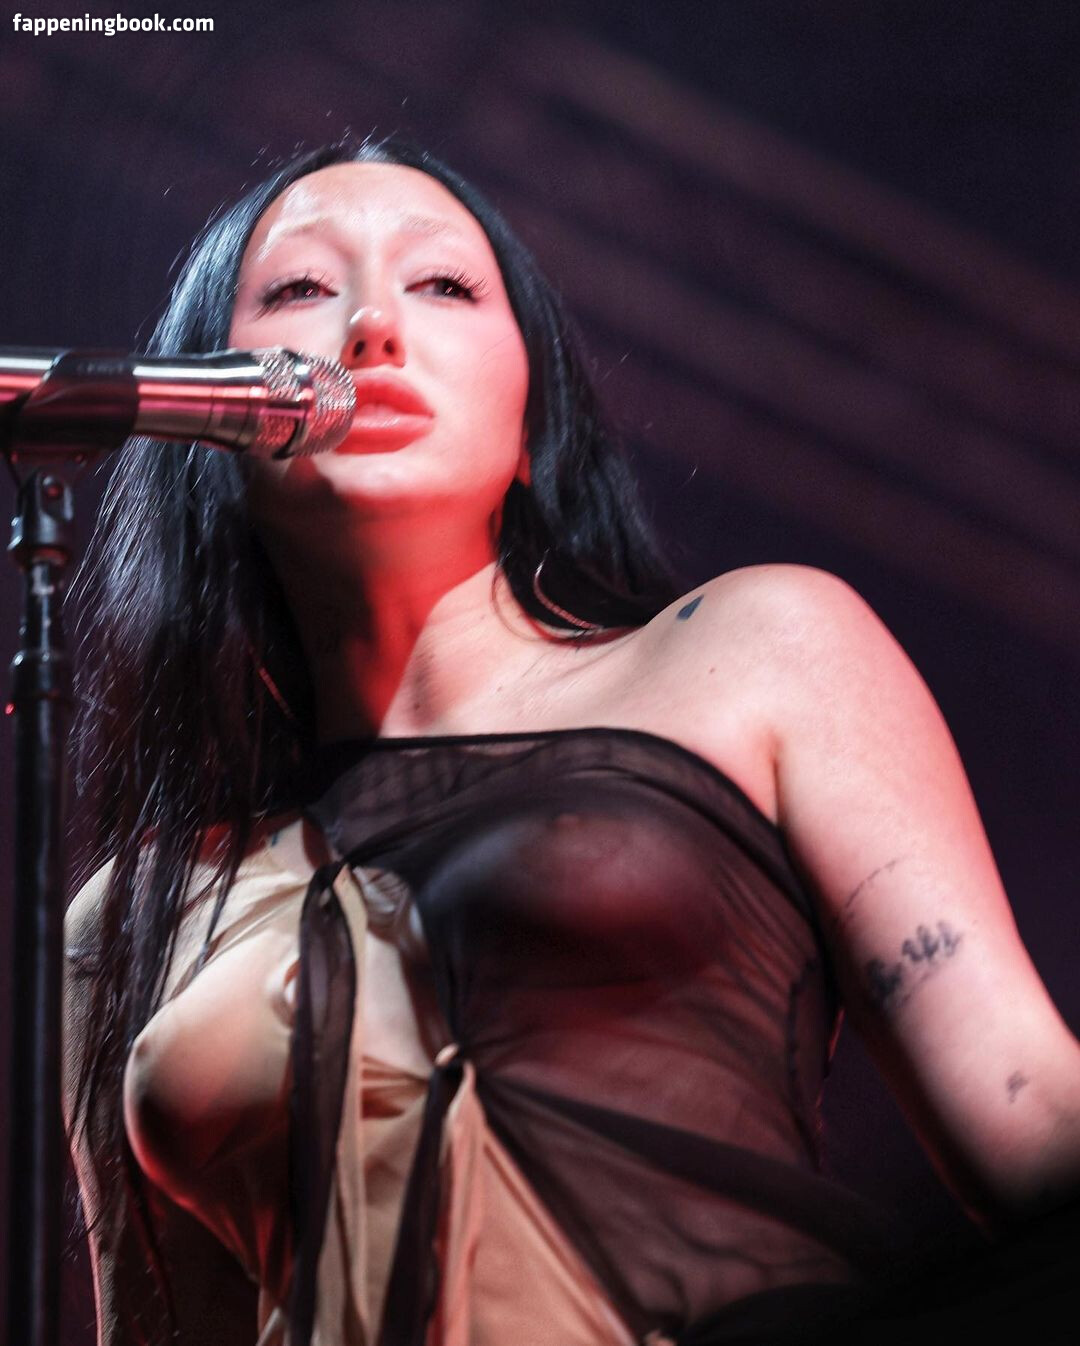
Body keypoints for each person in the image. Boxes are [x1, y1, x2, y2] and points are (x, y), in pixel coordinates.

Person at [61, 135, 1080, 1346]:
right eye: (299, 289)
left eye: (443, 285)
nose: (371, 327)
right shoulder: (136, 913)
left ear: (532, 419)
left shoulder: (751, 649)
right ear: (208, 419)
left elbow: (1026, 1107)